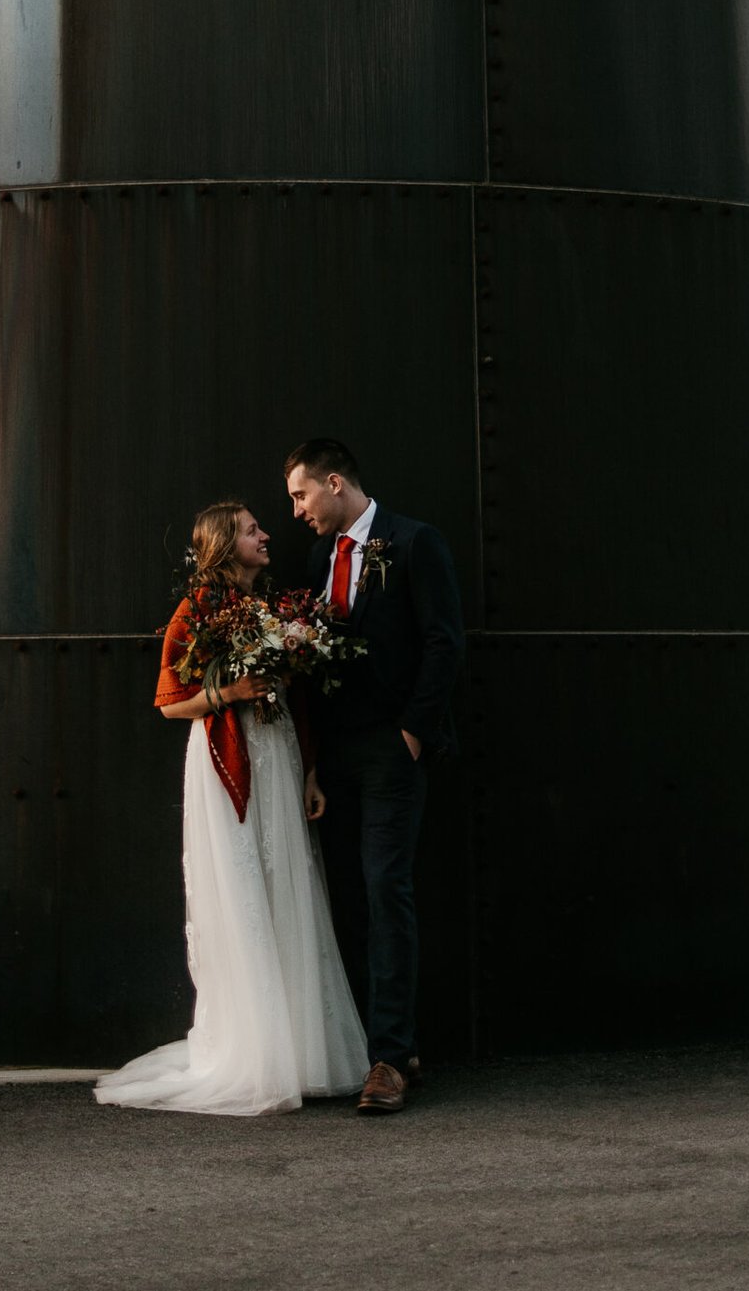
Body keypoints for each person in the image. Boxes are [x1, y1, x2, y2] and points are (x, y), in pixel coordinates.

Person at [93, 501, 368, 1117]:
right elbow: (169, 701)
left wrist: (312, 770)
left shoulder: (273, 609)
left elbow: (298, 702)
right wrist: (229, 691)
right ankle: (252, 1054)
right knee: (244, 891)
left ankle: (301, 1052)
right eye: (251, 530)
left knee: (289, 889)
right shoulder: (195, 610)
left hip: (281, 758)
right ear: (224, 545)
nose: (266, 534)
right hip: (227, 765)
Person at [286, 437, 465, 1117]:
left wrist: (412, 734)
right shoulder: (317, 557)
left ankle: (389, 1059)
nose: (297, 510)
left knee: (387, 888)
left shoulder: (415, 543)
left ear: (335, 482)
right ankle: (381, 1044)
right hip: (336, 757)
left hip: (393, 752)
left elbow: (445, 639)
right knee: (352, 902)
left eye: (302, 495)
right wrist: (313, 761)